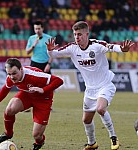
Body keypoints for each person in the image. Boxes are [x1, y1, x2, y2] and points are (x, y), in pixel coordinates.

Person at [45, 21, 134, 150]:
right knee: (86, 120)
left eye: (80, 34)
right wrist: (49, 50)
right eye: (75, 34)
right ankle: (92, 143)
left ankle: (113, 137)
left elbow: (111, 47)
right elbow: (55, 54)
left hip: (105, 85)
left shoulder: (96, 45)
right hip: (90, 90)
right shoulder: (72, 48)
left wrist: (122, 49)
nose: (77, 37)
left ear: (87, 34)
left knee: (101, 109)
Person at [0, 58, 63, 150]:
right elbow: (5, 89)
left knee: (37, 135)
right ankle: (8, 134)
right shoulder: (10, 77)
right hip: (27, 95)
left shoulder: (35, 75)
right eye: (9, 74)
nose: (12, 77)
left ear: (21, 69)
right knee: (9, 109)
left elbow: (59, 81)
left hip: (43, 99)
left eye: (14, 73)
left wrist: (43, 90)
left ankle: (39, 143)